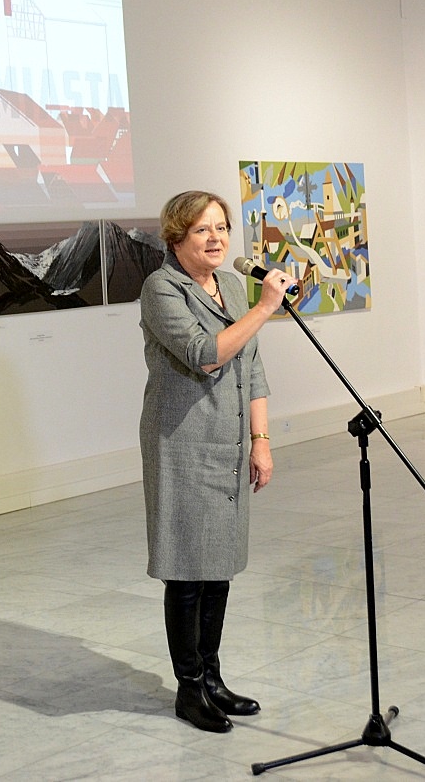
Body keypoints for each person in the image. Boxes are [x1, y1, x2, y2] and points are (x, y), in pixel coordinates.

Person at [138, 190, 295, 734]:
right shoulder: (162, 288)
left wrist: (261, 440)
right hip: (182, 445)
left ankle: (212, 679)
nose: (216, 238)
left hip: (229, 442)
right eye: (203, 229)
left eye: (222, 227)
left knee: (219, 566)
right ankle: (189, 690)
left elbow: (252, 368)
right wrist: (264, 308)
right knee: (188, 570)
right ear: (176, 236)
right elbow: (206, 355)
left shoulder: (229, 284)